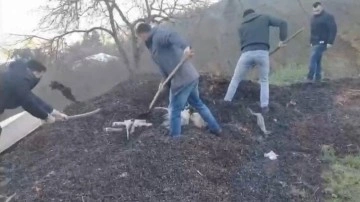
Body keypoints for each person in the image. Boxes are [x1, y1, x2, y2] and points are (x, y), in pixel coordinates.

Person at [135, 23, 222, 137]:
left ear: (143, 34)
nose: (141, 40)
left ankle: (175, 139)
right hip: (189, 77)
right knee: (198, 103)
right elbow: (166, 64)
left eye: (140, 37)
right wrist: (163, 81)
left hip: (182, 79)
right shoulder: (152, 44)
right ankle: (216, 128)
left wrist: (186, 47)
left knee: (175, 110)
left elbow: (172, 35)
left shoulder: (158, 35)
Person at [224, 9, 288, 114]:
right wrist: (282, 40)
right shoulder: (264, 17)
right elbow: (283, 23)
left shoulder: (241, 26)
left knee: (235, 79)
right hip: (262, 52)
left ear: (245, 17)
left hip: (246, 54)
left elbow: (243, 44)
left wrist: (250, 62)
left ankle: (226, 101)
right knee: (264, 80)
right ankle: (264, 107)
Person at [0, 59, 68, 134]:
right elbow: (27, 102)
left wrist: (54, 112)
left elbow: (32, 98)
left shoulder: (17, 76)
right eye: (40, 76)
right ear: (35, 72)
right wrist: (45, 117)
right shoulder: (20, 80)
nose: (39, 79)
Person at [307, 2, 337, 82]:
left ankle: (310, 77)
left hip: (323, 42)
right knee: (317, 59)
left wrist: (330, 42)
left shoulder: (328, 17)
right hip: (314, 42)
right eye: (315, 10)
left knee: (313, 58)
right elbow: (312, 31)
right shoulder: (313, 18)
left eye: (318, 10)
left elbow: (333, 29)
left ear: (321, 8)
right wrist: (311, 41)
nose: (316, 11)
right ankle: (318, 77)